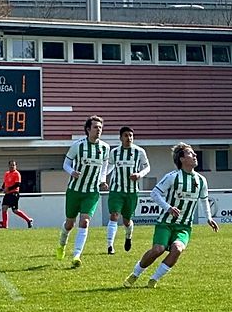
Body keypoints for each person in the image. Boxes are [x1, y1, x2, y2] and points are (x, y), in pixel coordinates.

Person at [123, 143, 218, 288]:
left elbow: (204, 200)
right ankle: (135, 274)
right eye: (190, 154)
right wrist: (168, 208)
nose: (195, 156)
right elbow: (155, 193)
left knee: (177, 249)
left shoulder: (200, 180)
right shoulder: (172, 177)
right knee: (158, 250)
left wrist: (209, 218)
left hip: (184, 226)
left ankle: (153, 280)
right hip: (165, 223)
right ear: (181, 159)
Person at [57, 115, 110, 267]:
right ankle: (62, 244)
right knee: (69, 224)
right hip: (74, 190)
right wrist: (72, 171)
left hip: (91, 192)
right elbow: (66, 163)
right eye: (95, 127)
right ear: (88, 129)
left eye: (100, 127)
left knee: (85, 221)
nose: (98, 130)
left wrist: (102, 181)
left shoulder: (105, 148)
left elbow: (104, 168)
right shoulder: (77, 145)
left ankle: (77, 255)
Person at [105, 126, 150, 255]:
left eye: (130, 135)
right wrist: (102, 179)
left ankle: (128, 237)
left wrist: (139, 175)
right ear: (120, 138)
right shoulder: (114, 152)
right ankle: (110, 246)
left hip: (131, 191)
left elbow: (147, 167)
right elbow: (109, 167)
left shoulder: (139, 152)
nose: (128, 138)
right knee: (114, 215)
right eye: (126, 135)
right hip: (116, 190)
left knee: (126, 220)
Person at [0, 160, 33, 229]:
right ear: (8, 166)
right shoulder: (7, 173)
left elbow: (17, 184)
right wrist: (2, 189)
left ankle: (28, 220)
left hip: (14, 193)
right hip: (8, 194)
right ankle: (5, 226)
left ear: (15, 166)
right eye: (10, 165)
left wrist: (8, 189)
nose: (12, 166)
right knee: (4, 208)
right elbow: (5, 183)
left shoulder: (17, 173)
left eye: (13, 165)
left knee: (15, 210)